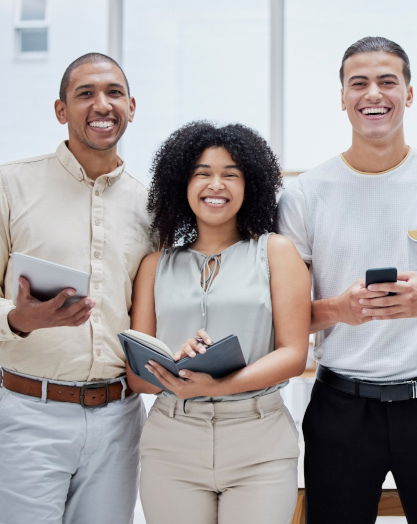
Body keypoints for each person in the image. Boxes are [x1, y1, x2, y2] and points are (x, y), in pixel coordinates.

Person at [278, 36, 417, 523]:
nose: (373, 94)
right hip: (340, 407)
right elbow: (286, 319)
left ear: (409, 95)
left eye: (387, 81)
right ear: (343, 99)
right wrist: (340, 310)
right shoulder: (305, 195)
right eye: (359, 83)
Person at [126, 121, 310, 523]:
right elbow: (138, 377)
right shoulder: (154, 266)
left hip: (259, 439)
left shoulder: (276, 253)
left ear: (251, 186)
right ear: (181, 184)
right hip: (172, 441)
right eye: (203, 174)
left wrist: (219, 384)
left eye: (231, 174)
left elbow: (294, 354)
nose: (216, 185)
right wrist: (176, 365)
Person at [0, 53, 151, 523]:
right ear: (61, 110)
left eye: (113, 93)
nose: (101, 105)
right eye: (85, 93)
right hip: (28, 413)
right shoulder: (10, 185)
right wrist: (18, 319)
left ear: (131, 105)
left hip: (119, 418)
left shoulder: (152, 205)